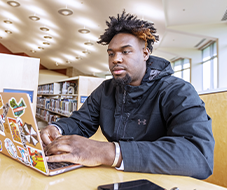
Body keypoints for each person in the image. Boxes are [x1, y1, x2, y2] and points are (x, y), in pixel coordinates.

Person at [40, 11, 214, 180]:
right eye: (111, 53)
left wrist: (108, 152)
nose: (116, 59)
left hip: (160, 182)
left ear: (145, 54)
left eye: (125, 51)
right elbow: (80, 121)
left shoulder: (178, 91)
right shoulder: (105, 89)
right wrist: (57, 129)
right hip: (114, 179)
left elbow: (199, 156)